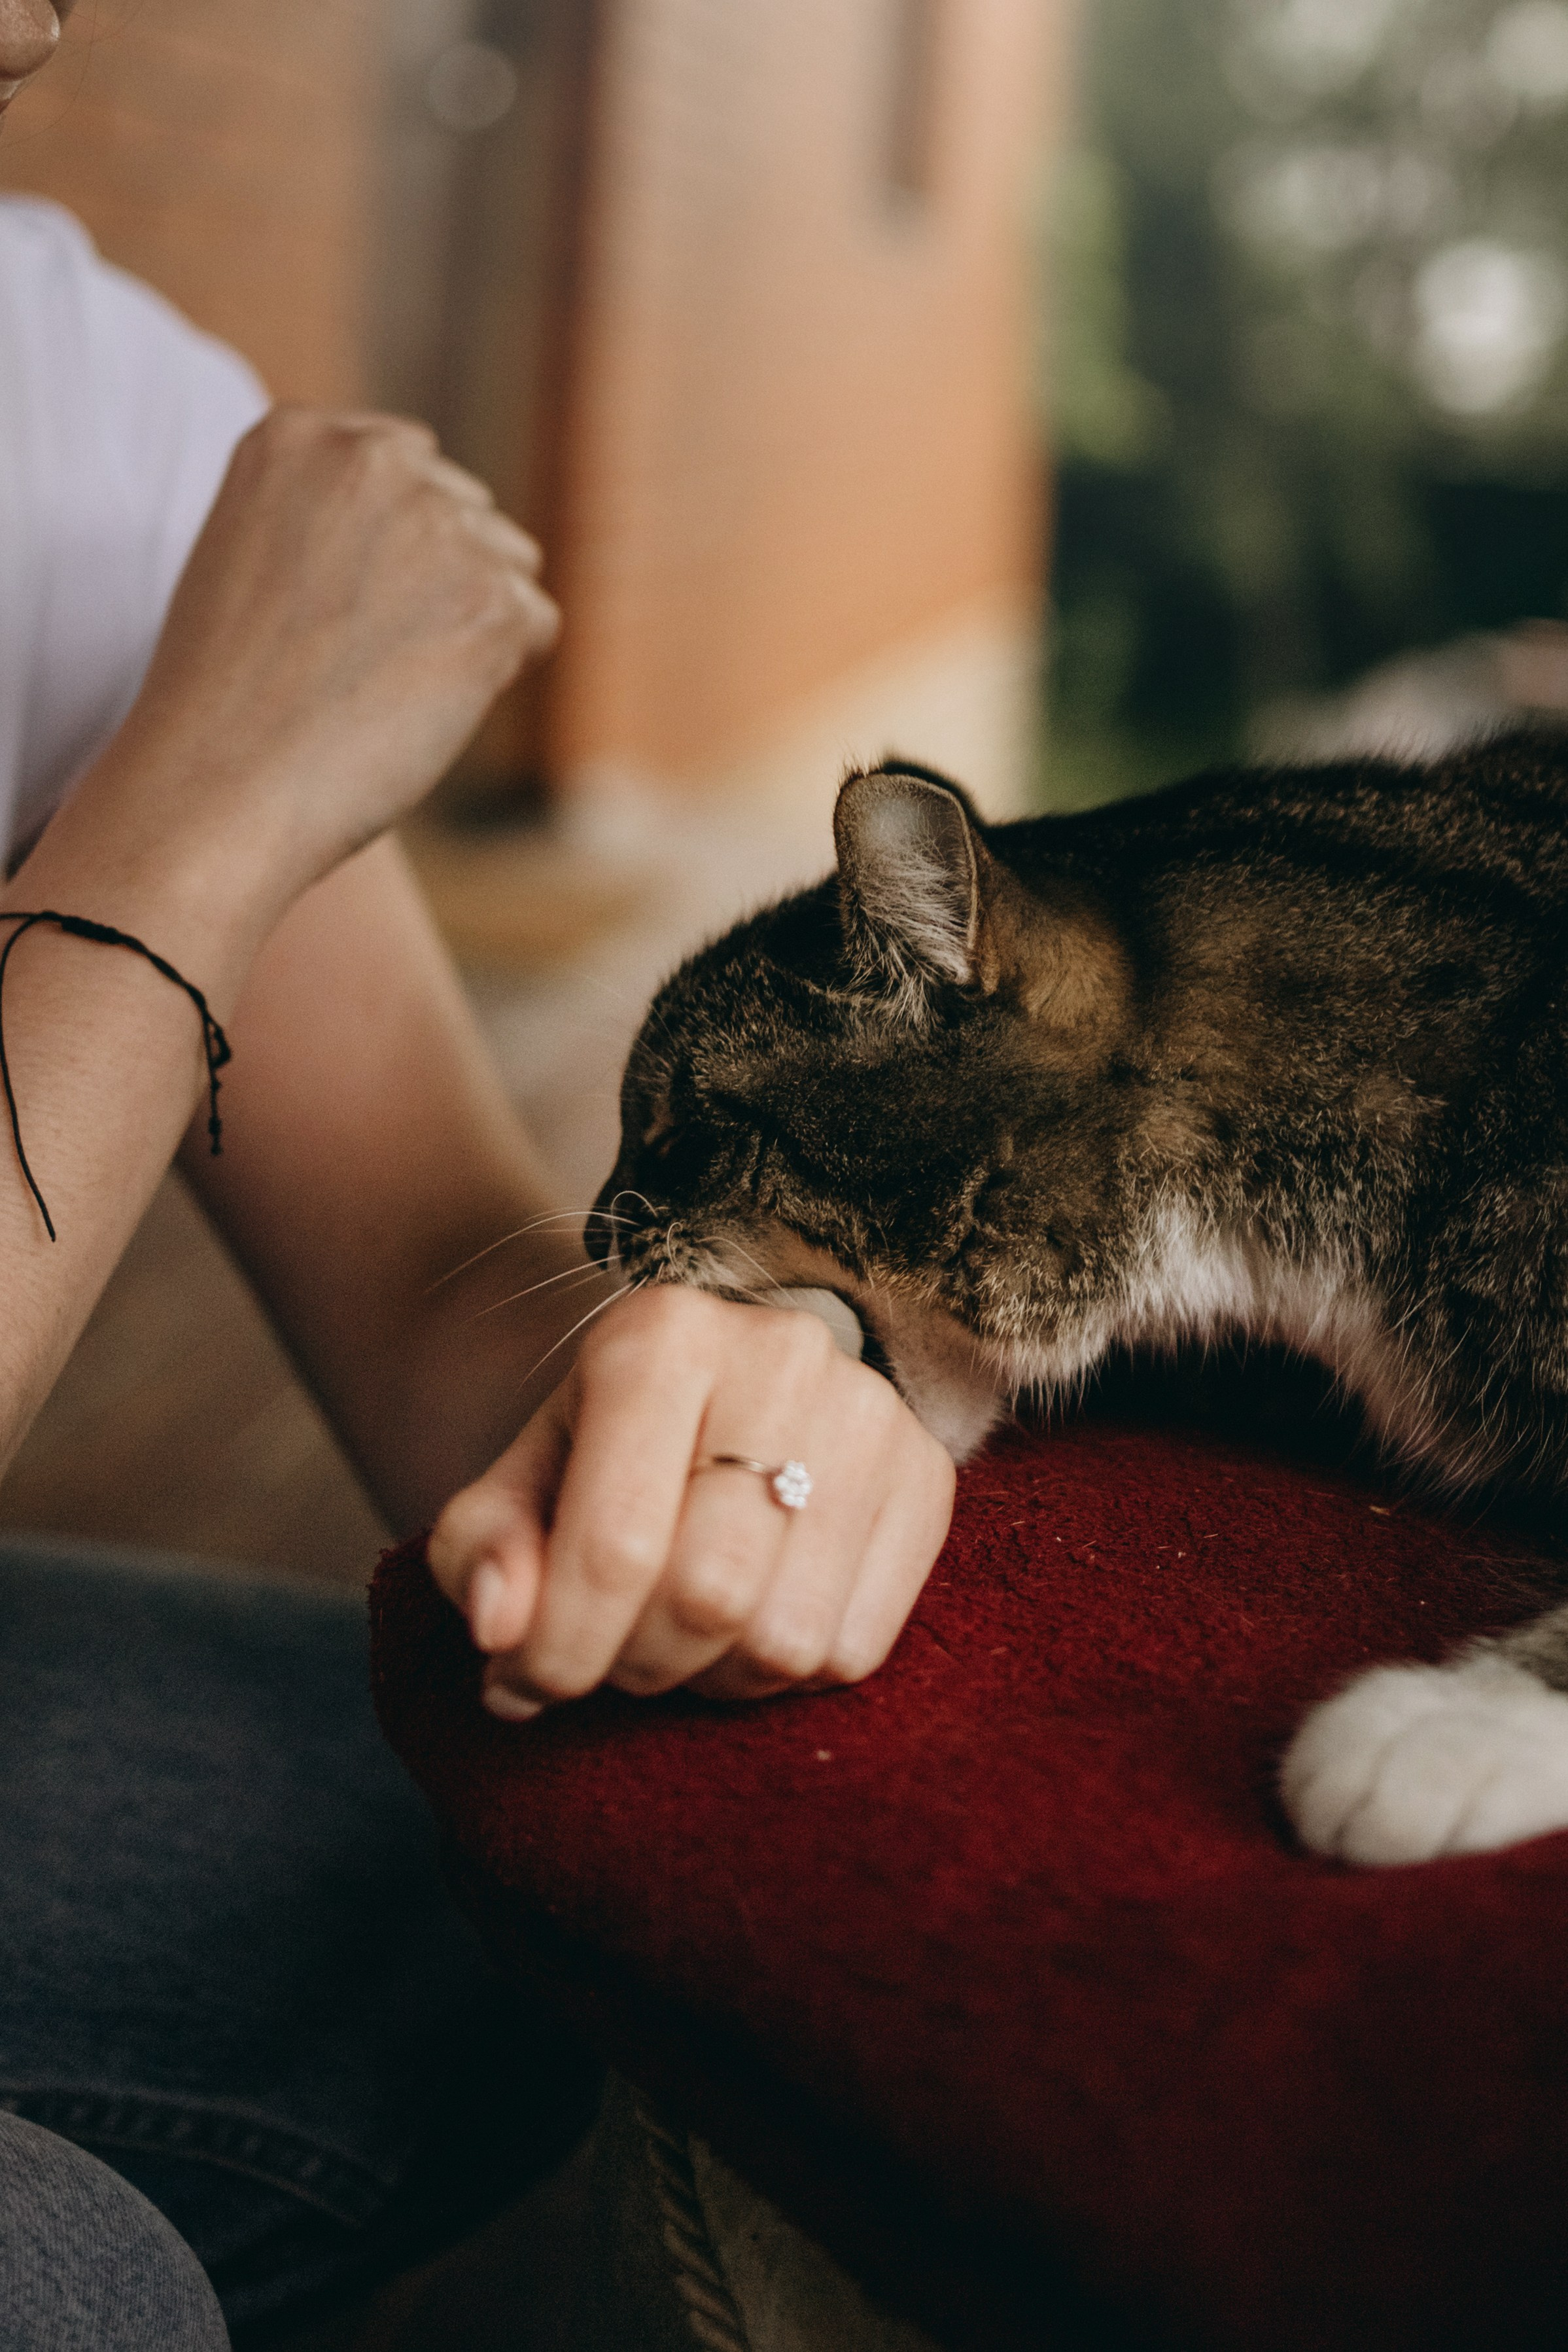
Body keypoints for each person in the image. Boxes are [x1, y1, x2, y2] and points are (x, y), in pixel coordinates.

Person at [0, 1, 955, 2342]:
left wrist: (740, 1386)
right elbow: (200, 819)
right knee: (78, 2286)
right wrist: (197, 809)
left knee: (487, 1863)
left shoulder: (82, 410)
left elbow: (438, 1280)